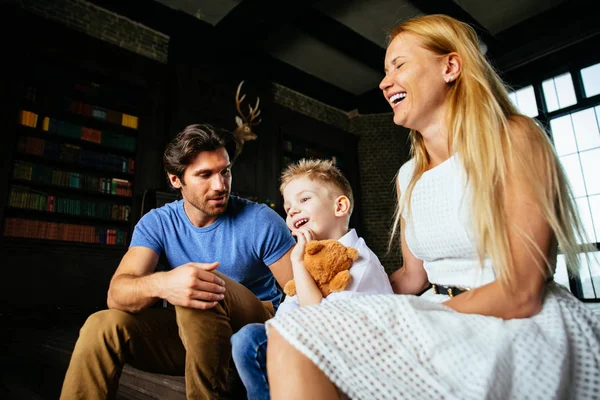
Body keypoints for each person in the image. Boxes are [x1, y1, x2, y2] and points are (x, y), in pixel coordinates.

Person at [266, 14, 600, 400]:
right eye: (384, 70)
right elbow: (412, 279)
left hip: (518, 321)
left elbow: (522, 289)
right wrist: (348, 297)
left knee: (301, 335)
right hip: (440, 315)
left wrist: (406, 319)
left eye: (399, 65)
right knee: (295, 331)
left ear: (450, 67)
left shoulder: (514, 137)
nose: (384, 81)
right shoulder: (408, 176)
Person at [60, 123, 296, 400]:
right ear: (176, 180)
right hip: (192, 337)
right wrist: (163, 283)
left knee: (199, 284)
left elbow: (303, 295)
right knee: (101, 326)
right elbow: (117, 295)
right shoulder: (157, 223)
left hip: (256, 333)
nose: (220, 185)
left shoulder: (261, 220)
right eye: (205, 175)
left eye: (225, 171)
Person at [230, 158, 393, 400]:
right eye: (287, 208)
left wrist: (297, 263)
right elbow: (286, 315)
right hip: (312, 355)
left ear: (339, 207)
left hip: (354, 366)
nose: (293, 210)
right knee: (248, 338)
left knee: (250, 341)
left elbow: (320, 324)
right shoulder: (311, 262)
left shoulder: (361, 264)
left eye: (304, 200)